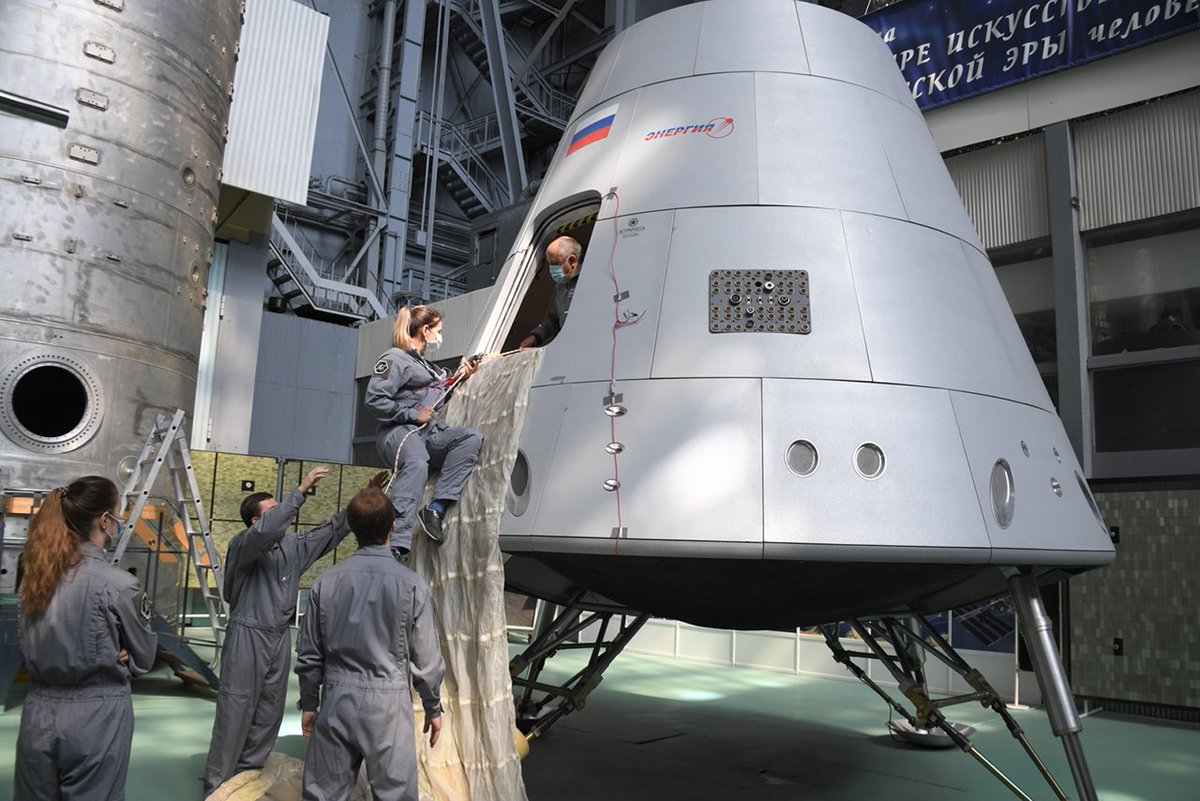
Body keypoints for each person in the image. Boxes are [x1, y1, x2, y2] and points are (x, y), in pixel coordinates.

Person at [202, 467, 380, 797]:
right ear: (256, 521)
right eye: (273, 511)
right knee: (236, 710)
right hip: (248, 635)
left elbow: (331, 531)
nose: (282, 515)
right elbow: (267, 531)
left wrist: (361, 501)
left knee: (269, 709)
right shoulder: (244, 544)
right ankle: (217, 786)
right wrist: (301, 490)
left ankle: (248, 776)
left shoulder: (292, 547)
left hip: (280, 637)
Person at [296, 487, 445, 801]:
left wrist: (310, 703)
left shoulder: (326, 582)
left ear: (352, 528)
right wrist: (433, 707)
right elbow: (427, 660)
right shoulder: (412, 585)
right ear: (393, 526)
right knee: (395, 795)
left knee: (323, 795)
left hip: (336, 701)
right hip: (388, 707)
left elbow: (309, 654)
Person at [15, 475, 158, 801]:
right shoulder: (119, 584)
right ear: (105, 520)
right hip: (96, 717)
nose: (120, 520)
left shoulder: (34, 579)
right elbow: (144, 657)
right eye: (118, 513)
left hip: (37, 713)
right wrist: (118, 650)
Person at [365, 305, 483, 555]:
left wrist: (462, 376)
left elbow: (437, 396)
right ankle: (395, 545)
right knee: (417, 462)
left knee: (470, 439)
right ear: (425, 330)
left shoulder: (426, 366)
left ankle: (435, 509)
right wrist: (412, 415)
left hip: (428, 433)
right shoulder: (395, 359)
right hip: (398, 432)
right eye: (438, 331)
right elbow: (374, 400)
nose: (439, 336)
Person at [519, 235, 583, 349]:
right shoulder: (560, 286)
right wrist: (536, 336)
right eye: (550, 264)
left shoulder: (587, 280)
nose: (551, 270)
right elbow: (552, 320)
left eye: (554, 264)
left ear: (572, 260)